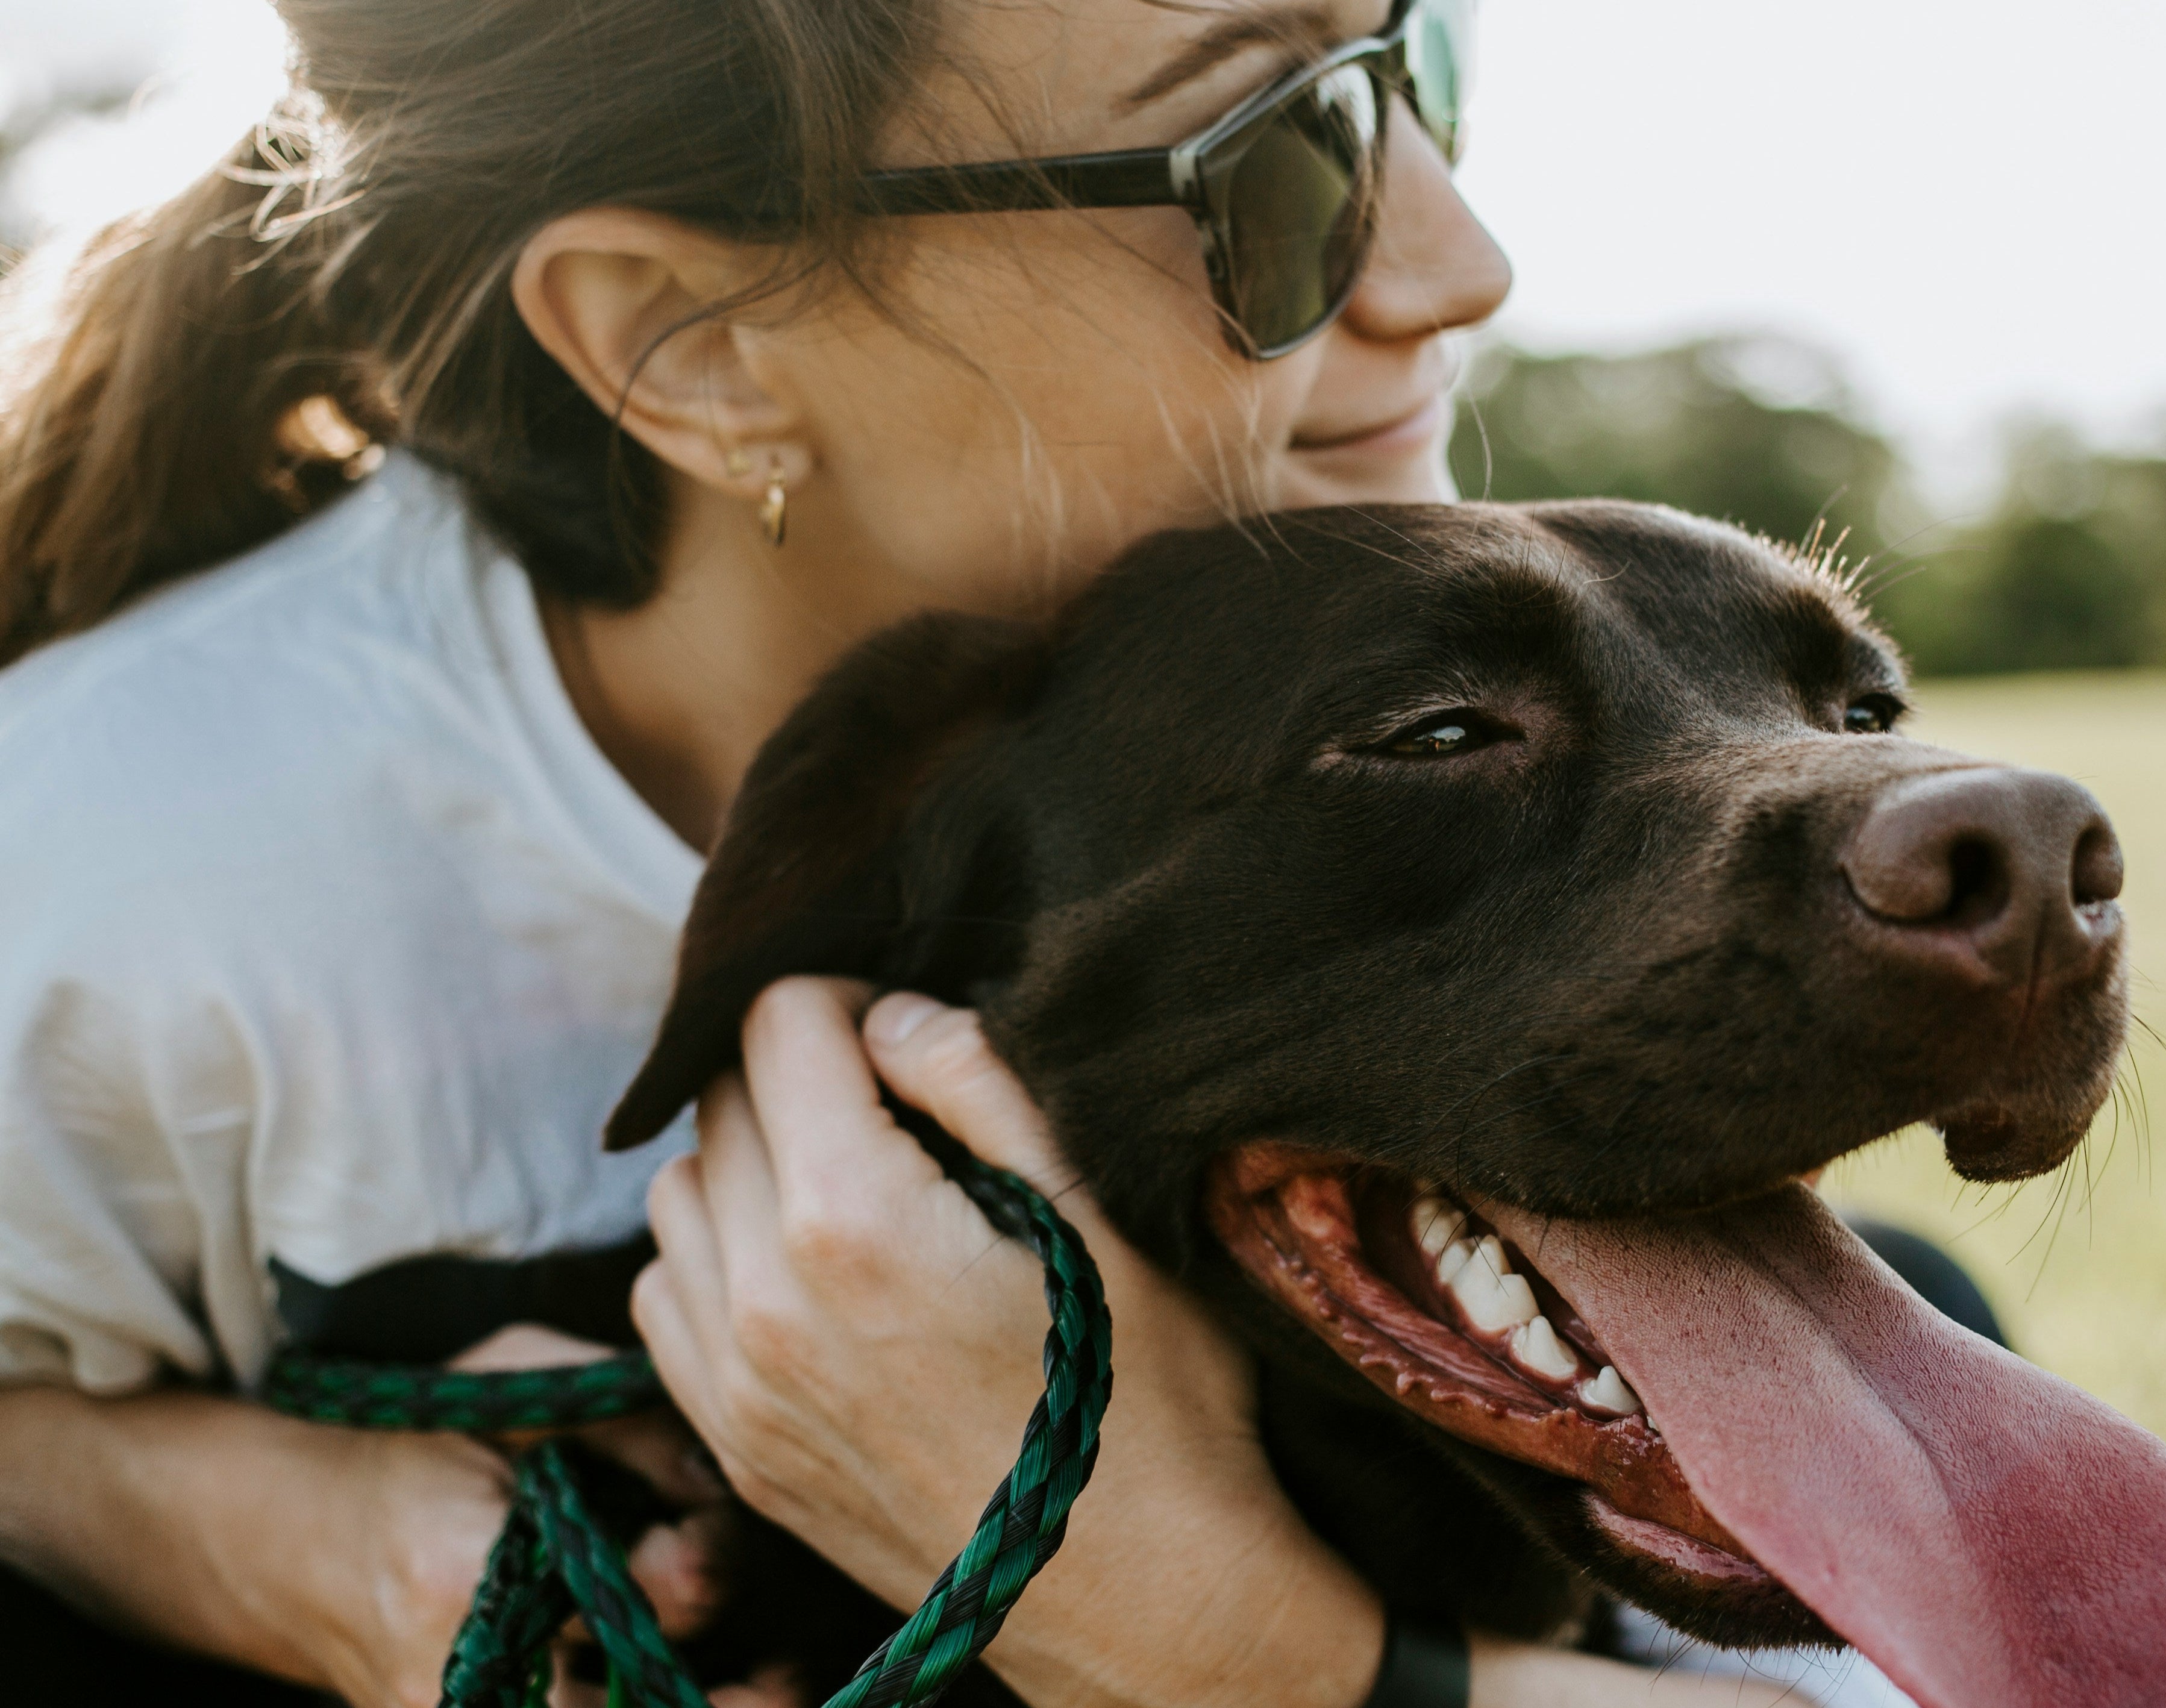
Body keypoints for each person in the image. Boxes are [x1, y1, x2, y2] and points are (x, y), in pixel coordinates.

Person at [0, 2, 1968, 1703]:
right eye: (1271, 158)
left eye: (1410, 63)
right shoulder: (114, 862)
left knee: (1921, 1294)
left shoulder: (1267, 642)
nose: (1460, 260)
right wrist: (274, 1537)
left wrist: (1226, 1648)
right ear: (695, 345)